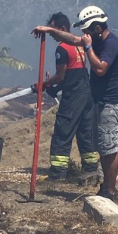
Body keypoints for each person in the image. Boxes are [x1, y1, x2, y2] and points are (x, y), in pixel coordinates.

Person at [34, 4, 118, 201]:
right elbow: (74, 39)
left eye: (87, 31)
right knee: (102, 146)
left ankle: (110, 192)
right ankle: (105, 187)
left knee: (109, 150)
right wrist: (51, 31)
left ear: (98, 28)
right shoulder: (97, 41)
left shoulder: (110, 44)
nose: (84, 35)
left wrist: (88, 46)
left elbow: (100, 69)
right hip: (99, 102)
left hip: (111, 105)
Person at [31, 11, 99, 181]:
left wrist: (44, 85)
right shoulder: (82, 44)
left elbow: (60, 76)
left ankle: (58, 173)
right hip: (87, 94)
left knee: (63, 133)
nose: (53, 35)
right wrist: (54, 89)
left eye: (53, 30)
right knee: (86, 133)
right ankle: (91, 169)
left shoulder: (62, 48)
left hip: (72, 98)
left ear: (62, 29)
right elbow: (71, 75)